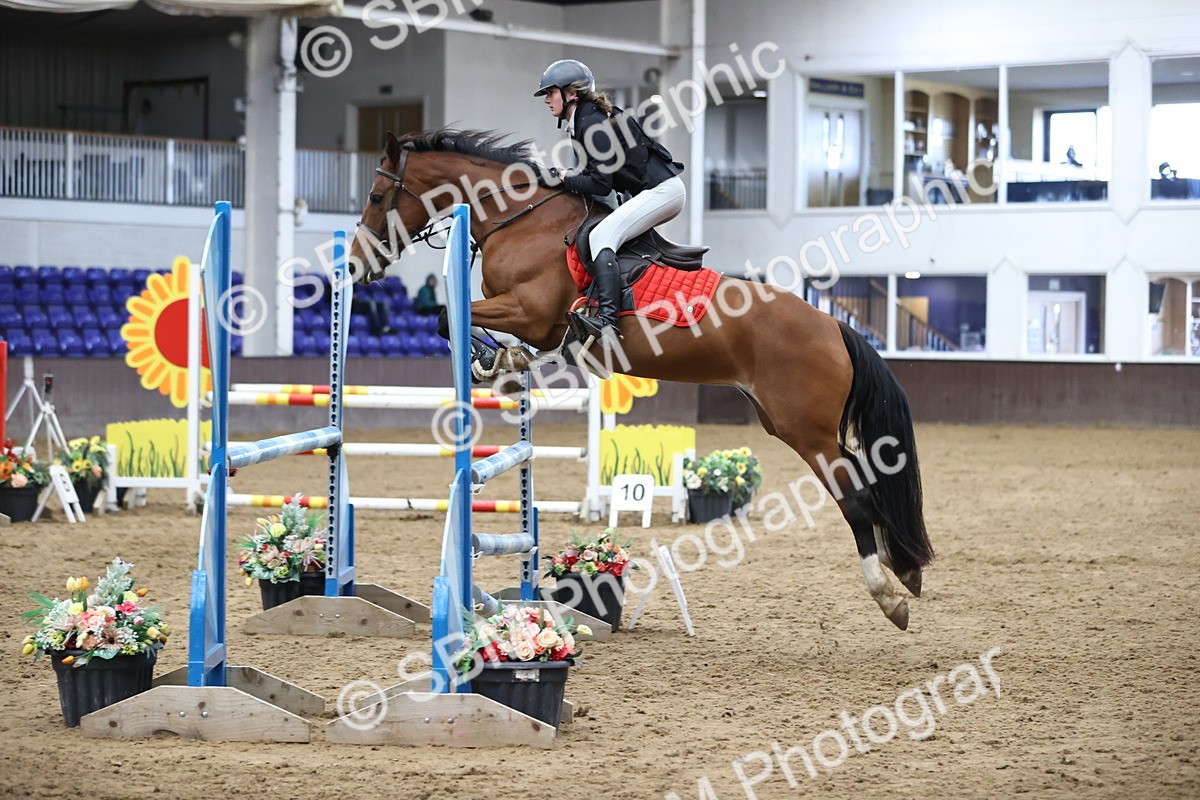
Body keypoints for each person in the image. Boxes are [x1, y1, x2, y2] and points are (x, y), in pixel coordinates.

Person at [535, 59, 686, 344]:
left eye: (550, 92)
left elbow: (599, 184)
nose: (546, 100)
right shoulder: (585, 120)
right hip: (653, 191)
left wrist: (564, 176)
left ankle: (608, 321)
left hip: (663, 192)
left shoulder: (591, 123)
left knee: (601, 235)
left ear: (572, 94)